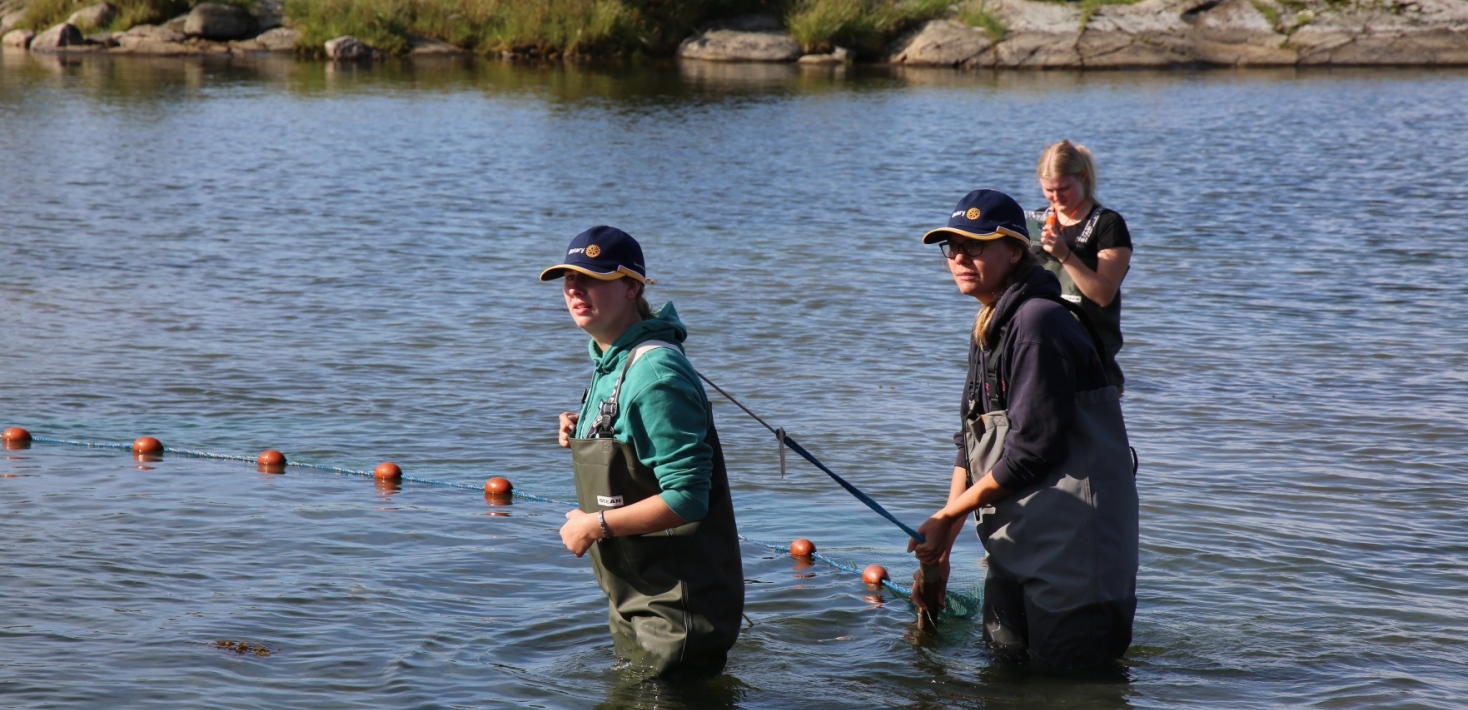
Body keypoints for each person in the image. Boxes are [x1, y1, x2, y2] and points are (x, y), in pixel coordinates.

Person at [908, 189, 1139, 670]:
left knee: (1066, 691)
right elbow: (968, 440)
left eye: (975, 245)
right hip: (1017, 543)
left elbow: (1033, 449)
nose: (959, 258)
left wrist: (948, 518)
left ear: (1014, 251)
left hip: (1076, 554)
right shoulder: (990, 321)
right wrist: (943, 544)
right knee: (1003, 678)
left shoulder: (1039, 322)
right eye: (951, 247)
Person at [542, 225, 743, 678]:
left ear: (632, 286)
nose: (575, 288)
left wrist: (593, 525)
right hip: (635, 600)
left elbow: (688, 498)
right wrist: (586, 427)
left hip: (676, 617)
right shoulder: (610, 357)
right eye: (568, 278)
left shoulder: (655, 371)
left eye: (592, 277)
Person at [1029, 139, 1133, 390]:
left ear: (1083, 177)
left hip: (1090, 350)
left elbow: (1103, 295)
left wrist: (1065, 255)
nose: (1056, 197)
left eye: (1063, 188)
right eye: (1048, 190)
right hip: (1043, 346)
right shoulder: (1037, 219)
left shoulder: (1108, 224)